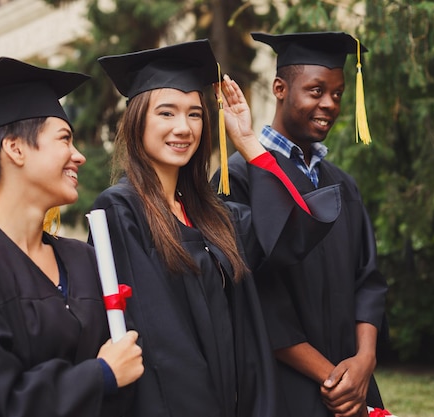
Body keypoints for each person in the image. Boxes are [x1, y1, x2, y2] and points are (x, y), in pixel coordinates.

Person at [92, 39, 340, 417]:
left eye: (194, 114)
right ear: (137, 119)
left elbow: (295, 234)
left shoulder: (216, 215)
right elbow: (161, 343)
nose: (184, 128)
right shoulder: (121, 210)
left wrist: (246, 141)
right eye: (166, 113)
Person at [0, 57, 144, 417]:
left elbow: (131, 374)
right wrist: (99, 375)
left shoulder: (85, 260)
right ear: (15, 149)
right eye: (65, 139)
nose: (79, 156)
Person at [211, 32, 388, 417]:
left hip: (353, 383)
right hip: (285, 389)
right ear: (280, 88)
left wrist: (364, 362)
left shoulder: (342, 184)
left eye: (338, 94)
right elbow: (254, 297)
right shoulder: (236, 181)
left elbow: (368, 280)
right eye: (316, 90)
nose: (329, 104)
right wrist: (334, 379)